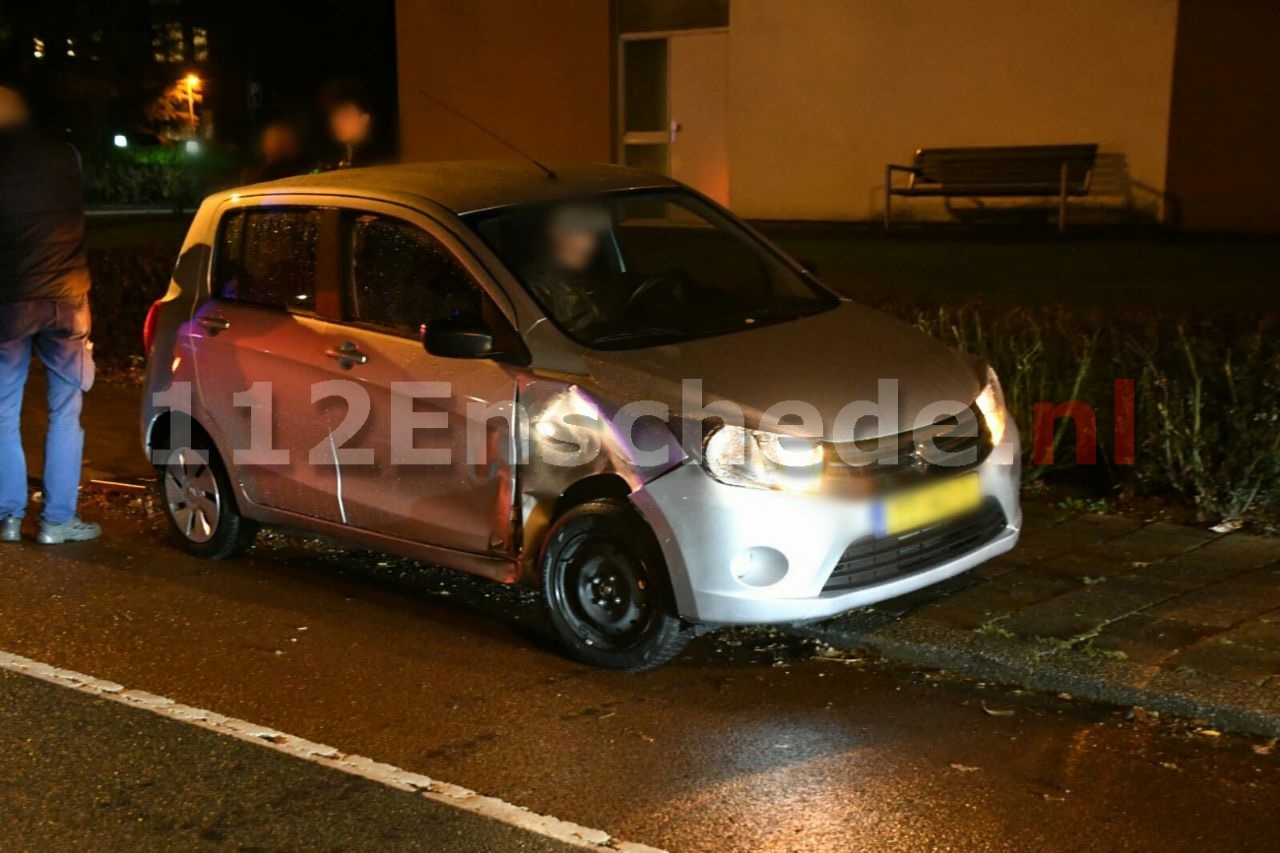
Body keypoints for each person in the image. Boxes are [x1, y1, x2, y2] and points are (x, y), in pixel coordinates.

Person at [0, 86, 100, 544]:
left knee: (3, 411)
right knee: (65, 409)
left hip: (10, 303)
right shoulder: (67, 156)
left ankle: (9, 516)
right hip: (66, 300)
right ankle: (57, 522)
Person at [522, 204, 613, 333]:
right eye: (583, 234)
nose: (591, 245)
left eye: (594, 236)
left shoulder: (572, 281)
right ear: (556, 235)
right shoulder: (535, 290)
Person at [322, 85, 387, 170]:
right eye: (334, 115)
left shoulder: (378, 162)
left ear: (364, 119)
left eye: (346, 114)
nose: (337, 121)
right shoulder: (335, 158)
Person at [241, 120, 309, 184]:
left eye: (280, 139)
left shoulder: (295, 171)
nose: (270, 142)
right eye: (269, 138)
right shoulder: (254, 171)